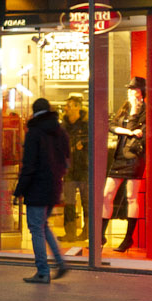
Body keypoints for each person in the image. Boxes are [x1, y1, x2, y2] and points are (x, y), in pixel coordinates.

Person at [15, 98, 71, 283]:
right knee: (43, 226)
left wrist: (19, 190)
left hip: (36, 188)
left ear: (34, 112)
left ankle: (42, 271)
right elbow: (66, 161)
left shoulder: (34, 133)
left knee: (36, 229)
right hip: (53, 186)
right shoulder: (61, 132)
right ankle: (60, 262)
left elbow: (29, 166)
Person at [103, 78, 147, 252]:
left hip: (135, 156)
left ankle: (128, 238)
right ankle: (101, 235)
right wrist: (129, 131)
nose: (130, 92)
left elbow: (141, 132)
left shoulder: (144, 110)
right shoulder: (124, 107)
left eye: (134, 89)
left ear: (141, 91)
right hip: (120, 155)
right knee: (107, 194)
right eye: (129, 89)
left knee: (131, 197)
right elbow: (112, 126)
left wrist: (134, 113)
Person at [61, 95, 89, 240]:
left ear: (78, 107)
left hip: (84, 168)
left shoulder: (86, 124)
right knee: (69, 202)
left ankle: (87, 232)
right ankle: (70, 232)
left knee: (86, 201)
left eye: (69, 106)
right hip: (69, 169)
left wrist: (83, 143)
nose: (66, 108)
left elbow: (95, 140)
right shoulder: (63, 126)